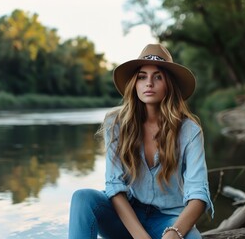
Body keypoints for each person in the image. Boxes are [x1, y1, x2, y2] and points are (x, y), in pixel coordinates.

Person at [68, 44, 214, 239]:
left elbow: (198, 195)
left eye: (158, 77)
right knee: (82, 198)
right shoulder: (116, 124)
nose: (149, 83)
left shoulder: (189, 131)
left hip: (168, 220)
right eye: (142, 76)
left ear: (169, 85)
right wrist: (141, 237)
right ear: (134, 83)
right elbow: (114, 186)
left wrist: (173, 233)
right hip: (125, 218)